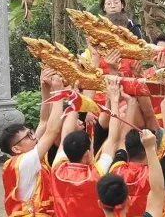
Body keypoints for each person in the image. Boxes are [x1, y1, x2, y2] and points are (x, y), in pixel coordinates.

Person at [50, 79, 123, 216]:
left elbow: (66, 132)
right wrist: (115, 100)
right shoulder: (96, 173)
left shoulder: (57, 169)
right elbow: (113, 139)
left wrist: (74, 100)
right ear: (86, 154)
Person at [0, 68, 65, 216]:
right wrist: (59, 94)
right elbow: (52, 131)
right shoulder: (25, 161)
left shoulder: (24, 156)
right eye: (28, 136)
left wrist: (45, 88)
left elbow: (44, 121)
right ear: (16, 148)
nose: (34, 136)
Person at [98, 129, 165, 217]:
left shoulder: (117, 169)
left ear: (99, 203)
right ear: (128, 200)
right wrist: (150, 148)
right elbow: (158, 191)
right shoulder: (151, 173)